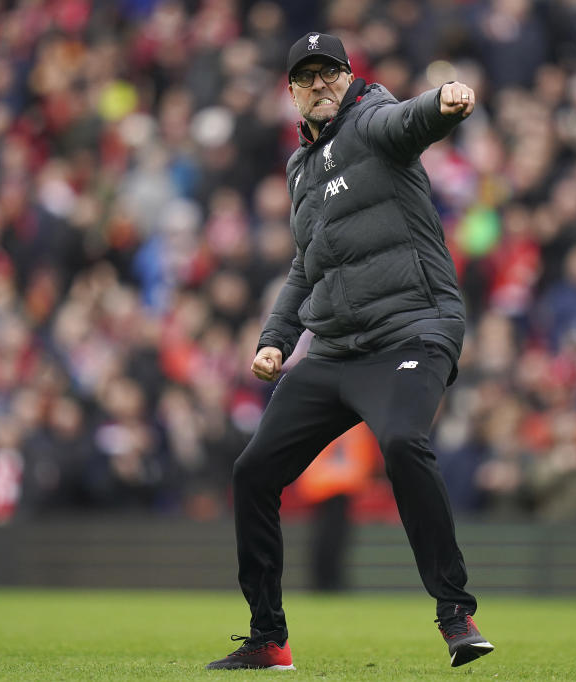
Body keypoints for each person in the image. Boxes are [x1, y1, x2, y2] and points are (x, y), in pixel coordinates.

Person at [207, 31, 493, 671]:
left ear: (347, 76)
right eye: (306, 77)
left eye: (328, 72)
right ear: (291, 93)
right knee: (253, 472)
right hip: (337, 350)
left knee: (400, 442)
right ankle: (268, 639)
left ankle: (456, 614)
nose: (319, 85)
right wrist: (275, 341)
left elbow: (408, 121)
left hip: (414, 329)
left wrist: (444, 102)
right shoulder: (299, 171)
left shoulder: (372, 123)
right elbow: (305, 269)